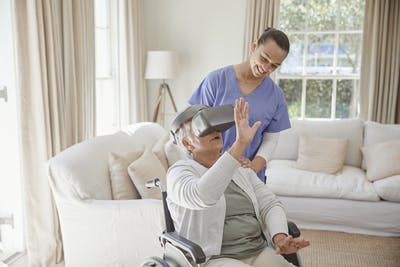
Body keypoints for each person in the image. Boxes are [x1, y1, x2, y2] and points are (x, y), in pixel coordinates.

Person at [167, 98, 309, 267]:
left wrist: (279, 237)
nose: (214, 130)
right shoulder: (179, 172)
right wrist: (239, 145)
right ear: (187, 143)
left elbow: (269, 204)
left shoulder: (239, 167)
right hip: (215, 258)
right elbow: (201, 196)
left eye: (215, 124)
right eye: (203, 127)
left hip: (257, 250)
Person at [189, 28, 291, 182]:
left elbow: (271, 140)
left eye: (274, 66)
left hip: (249, 175)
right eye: (264, 59)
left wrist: (254, 166)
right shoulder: (216, 80)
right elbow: (196, 127)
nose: (266, 68)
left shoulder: (276, 96)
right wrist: (219, 161)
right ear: (254, 46)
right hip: (211, 171)